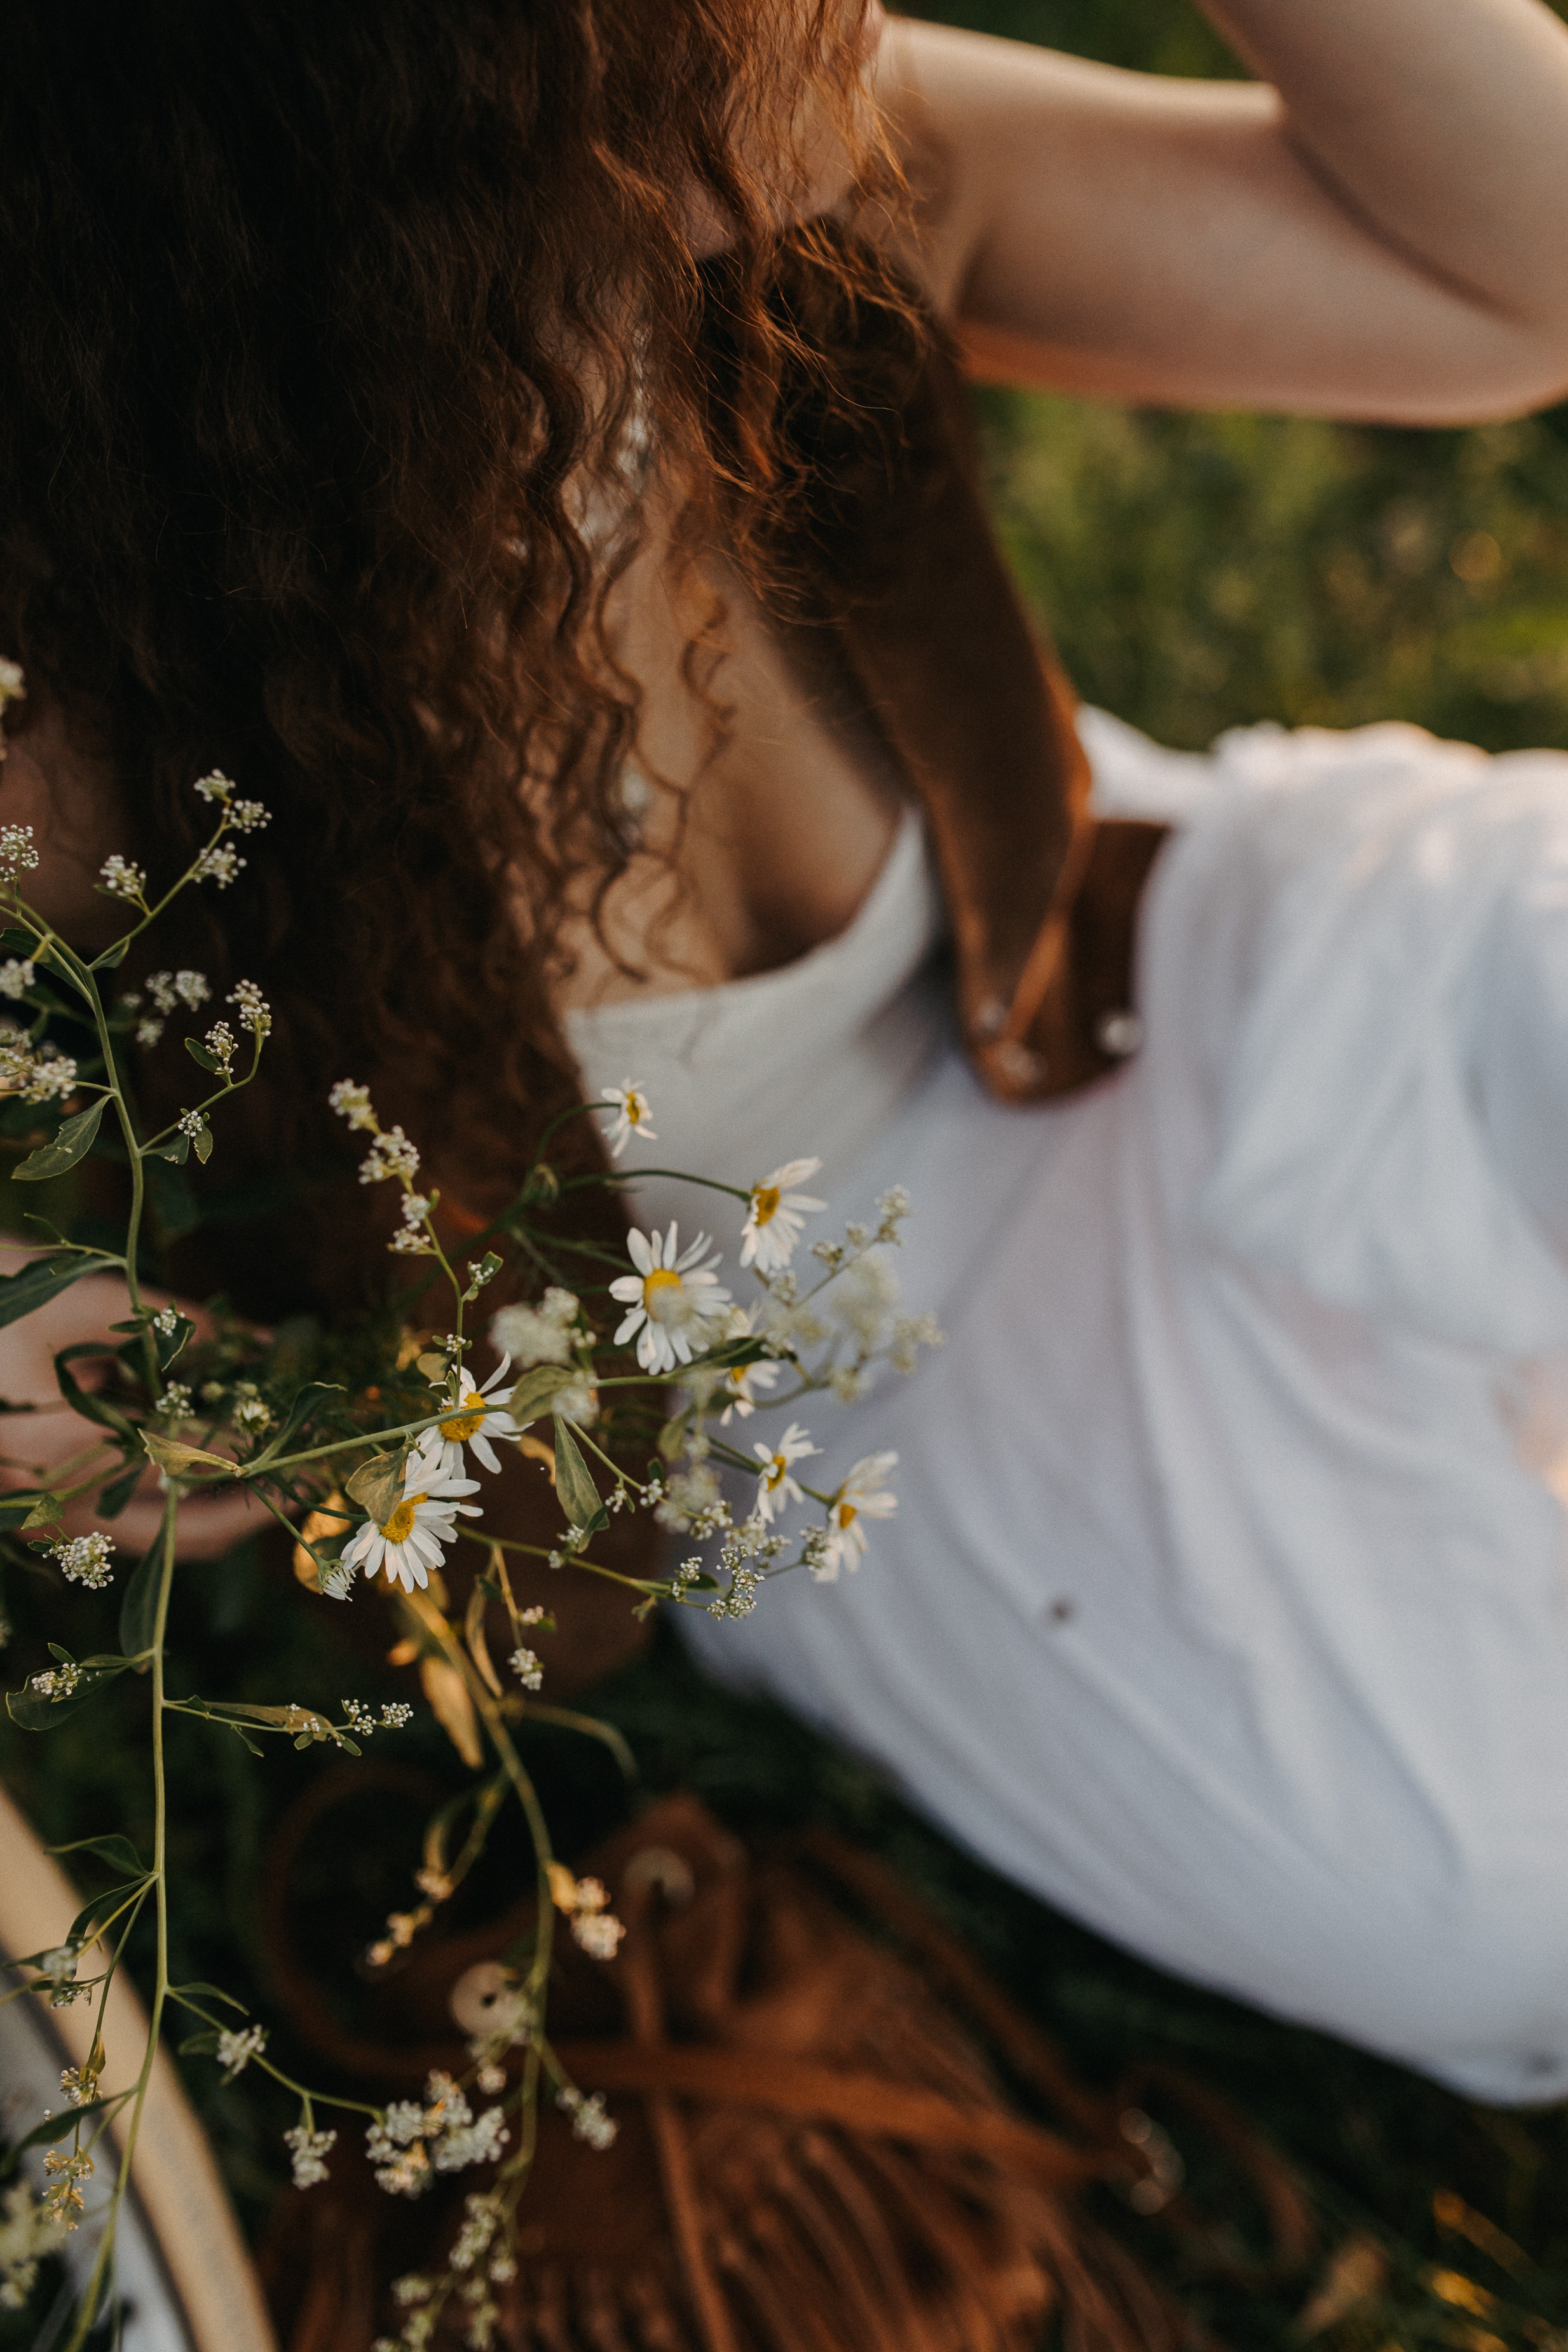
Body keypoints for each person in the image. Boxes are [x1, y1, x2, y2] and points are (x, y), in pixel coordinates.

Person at [6, 0, 1568, 2103]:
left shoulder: (781, 131)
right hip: (864, 1393)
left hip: (1170, 948)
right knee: (1498, 1901)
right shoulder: (85, 699)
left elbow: (1500, 284)